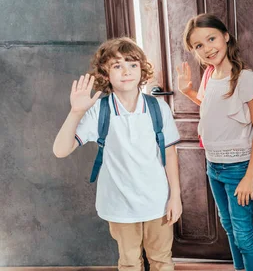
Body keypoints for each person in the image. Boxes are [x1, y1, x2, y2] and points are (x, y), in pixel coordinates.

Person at [53, 37, 182, 271]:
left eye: (132, 64)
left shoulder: (157, 108)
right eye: (117, 65)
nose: (126, 71)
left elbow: (170, 154)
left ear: (142, 69)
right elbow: (60, 151)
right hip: (119, 203)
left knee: (162, 260)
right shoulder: (99, 110)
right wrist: (75, 112)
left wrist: (176, 196)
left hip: (157, 201)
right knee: (130, 262)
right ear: (105, 73)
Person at [177, 14, 253, 271]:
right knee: (228, 227)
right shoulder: (209, 75)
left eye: (211, 39)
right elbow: (212, 106)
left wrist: (250, 176)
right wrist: (188, 92)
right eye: (198, 45)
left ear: (226, 36)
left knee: (243, 233)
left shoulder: (244, 78)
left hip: (238, 168)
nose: (207, 48)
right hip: (213, 166)